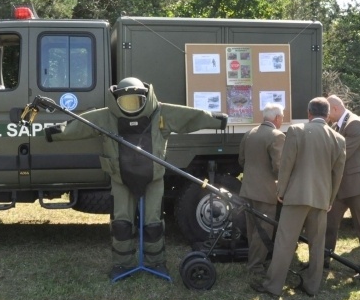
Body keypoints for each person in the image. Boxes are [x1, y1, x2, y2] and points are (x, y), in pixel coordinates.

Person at [45, 77, 228, 279]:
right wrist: (53, 132)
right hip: (121, 179)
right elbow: (79, 126)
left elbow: (190, 117)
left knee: (153, 223)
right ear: (116, 100)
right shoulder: (107, 117)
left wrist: (217, 119)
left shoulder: (161, 113)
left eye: (136, 101)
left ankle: (156, 263)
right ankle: (122, 265)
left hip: (153, 179)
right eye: (125, 101)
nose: (131, 106)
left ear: (145, 98)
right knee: (121, 224)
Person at [250, 97, 345, 298]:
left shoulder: (297, 131)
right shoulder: (338, 139)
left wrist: (281, 191)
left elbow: (286, 165)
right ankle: (312, 286)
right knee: (317, 244)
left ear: (309, 113)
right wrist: (330, 199)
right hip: (321, 198)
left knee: (285, 241)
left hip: (295, 196)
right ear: (328, 116)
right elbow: (337, 174)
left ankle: (273, 286)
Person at [324, 95, 360, 279]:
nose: (326, 116)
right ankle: (323, 260)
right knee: (329, 224)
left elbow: (341, 154)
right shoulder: (337, 125)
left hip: (357, 185)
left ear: (334, 109)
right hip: (340, 185)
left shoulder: (355, 124)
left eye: (327, 112)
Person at [238, 103, 286, 283]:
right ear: (277, 118)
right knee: (264, 229)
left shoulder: (250, 133)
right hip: (266, 191)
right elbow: (279, 167)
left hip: (248, 188)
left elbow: (241, 159)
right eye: (281, 117)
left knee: (253, 228)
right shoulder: (277, 136)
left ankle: (254, 261)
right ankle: (256, 266)